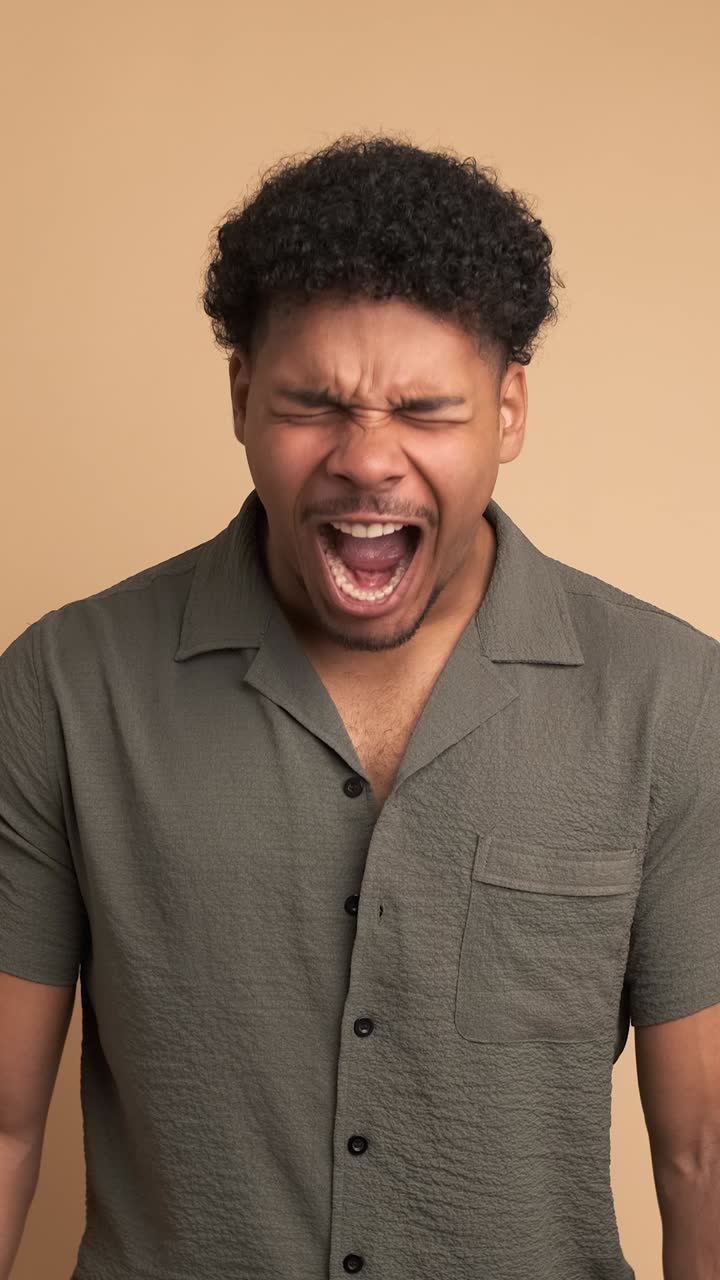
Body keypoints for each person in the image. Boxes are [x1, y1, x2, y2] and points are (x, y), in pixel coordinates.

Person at [1, 134, 718, 1280]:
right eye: (314, 404)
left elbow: (703, 1154)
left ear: (510, 412)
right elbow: (4, 1125)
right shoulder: (62, 686)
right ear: (241, 396)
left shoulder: (672, 701)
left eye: (426, 409)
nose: (368, 458)